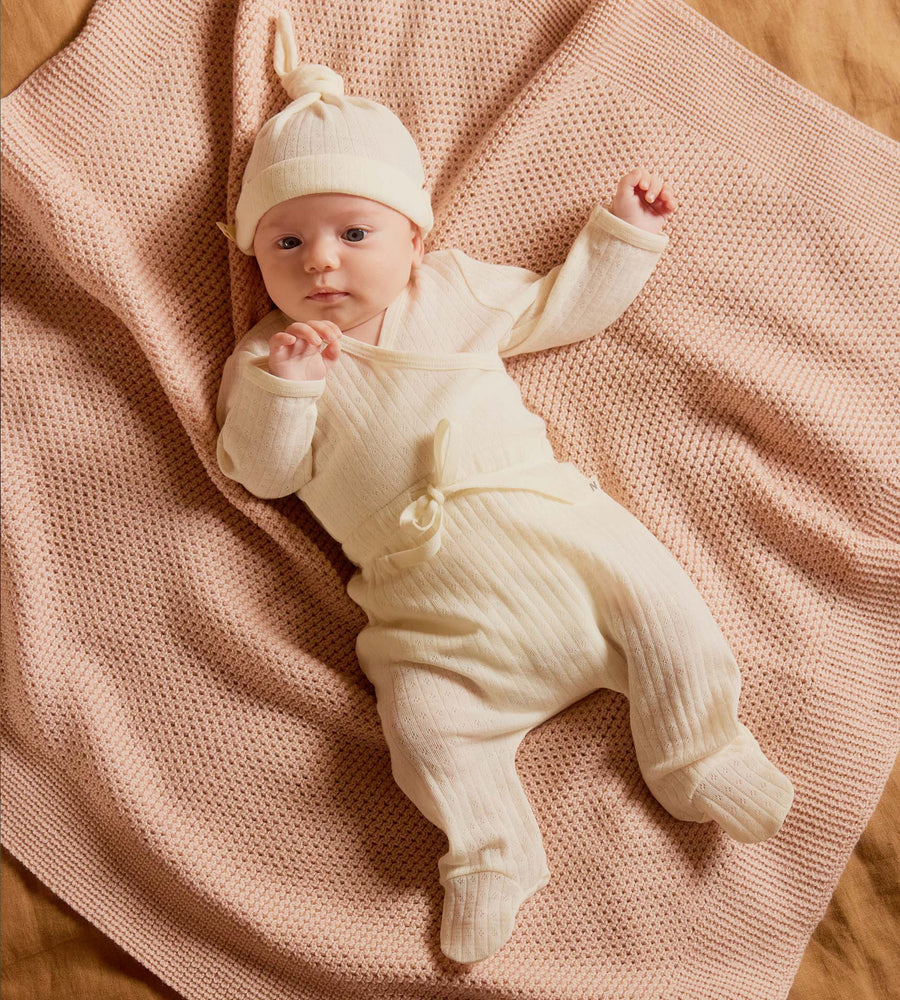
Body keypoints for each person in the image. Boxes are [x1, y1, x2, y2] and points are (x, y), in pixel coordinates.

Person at [215, 10, 794, 965]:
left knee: (660, 601)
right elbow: (259, 473)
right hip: (426, 604)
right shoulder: (263, 362)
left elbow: (557, 306)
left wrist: (624, 237)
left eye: (353, 231)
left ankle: (700, 748)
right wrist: (290, 389)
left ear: (413, 237)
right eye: (285, 243)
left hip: (546, 528)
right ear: (253, 254)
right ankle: (491, 850)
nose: (320, 260)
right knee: (423, 727)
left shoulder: (453, 292)